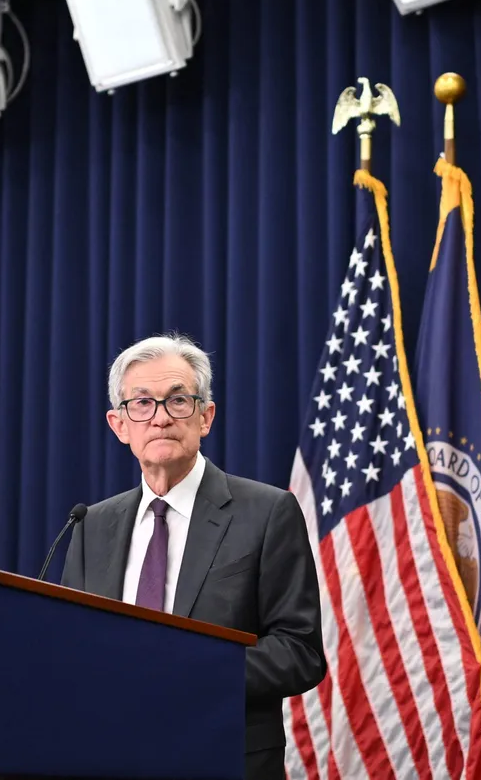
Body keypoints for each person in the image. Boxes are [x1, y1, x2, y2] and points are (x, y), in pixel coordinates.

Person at [61, 334, 326, 779]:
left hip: (224, 757)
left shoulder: (266, 512)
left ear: (205, 417)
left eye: (177, 400)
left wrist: (191, 673)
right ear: (119, 424)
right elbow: (68, 646)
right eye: (141, 403)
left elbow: (299, 651)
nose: (160, 417)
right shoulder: (90, 526)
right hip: (111, 757)